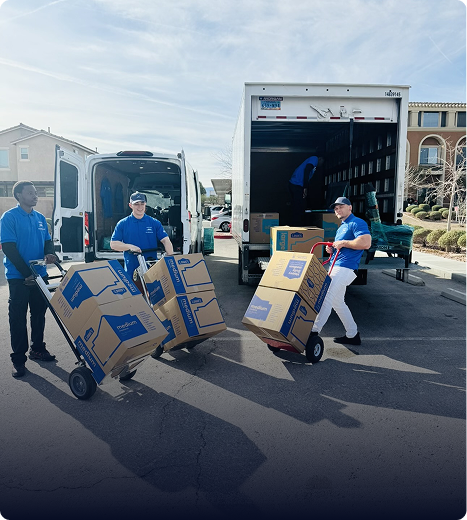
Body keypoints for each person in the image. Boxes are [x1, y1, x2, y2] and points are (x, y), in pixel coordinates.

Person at [0, 181, 59, 378]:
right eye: (30, 193)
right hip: (19, 277)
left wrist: (50, 254)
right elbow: (9, 248)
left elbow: (47, 242)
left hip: (40, 275)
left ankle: (37, 349)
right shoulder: (9, 218)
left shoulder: (41, 218)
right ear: (18, 195)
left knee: (38, 314)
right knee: (17, 318)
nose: (35, 196)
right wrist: (26, 273)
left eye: (36, 193)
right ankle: (18, 360)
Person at [311, 196, 372, 346]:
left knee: (326, 295)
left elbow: (366, 243)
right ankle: (352, 335)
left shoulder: (357, 222)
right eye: (336, 208)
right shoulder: (342, 226)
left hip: (346, 267)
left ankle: (313, 331)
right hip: (337, 265)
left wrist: (343, 243)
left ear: (350, 207)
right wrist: (332, 249)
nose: (337, 210)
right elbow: (344, 247)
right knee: (338, 302)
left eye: (341, 207)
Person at [110, 192, 174, 287]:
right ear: (130, 205)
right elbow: (113, 244)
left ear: (145, 204)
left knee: (153, 297)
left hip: (151, 268)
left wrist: (170, 258)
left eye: (142, 203)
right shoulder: (123, 224)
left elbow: (165, 240)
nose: (139, 207)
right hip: (132, 270)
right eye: (136, 204)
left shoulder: (154, 223)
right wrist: (129, 246)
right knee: (136, 299)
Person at [289, 156, 322, 226]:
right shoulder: (314, 159)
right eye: (322, 162)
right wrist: (305, 187)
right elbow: (307, 170)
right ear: (320, 159)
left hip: (297, 184)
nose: (321, 164)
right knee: (299, 206)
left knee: (299, 205)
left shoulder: (314, 165)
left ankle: (297, 223)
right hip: (297, 184)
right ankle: (297, 224)